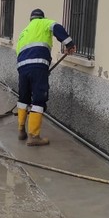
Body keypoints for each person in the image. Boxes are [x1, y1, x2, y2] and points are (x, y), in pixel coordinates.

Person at [16, 8, 76, 146]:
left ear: (30, 19)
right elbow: (57, 27)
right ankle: (34, 136)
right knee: (38, 98)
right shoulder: (44, 23)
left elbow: (20, 52)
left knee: (23, 98)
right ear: (41, 18)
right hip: (38, 66)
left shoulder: (24, 32)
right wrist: (69, 44)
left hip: (22, 67)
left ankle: (21, 130)